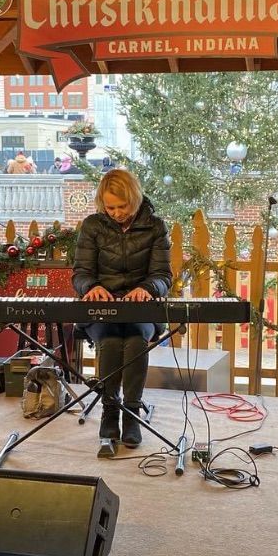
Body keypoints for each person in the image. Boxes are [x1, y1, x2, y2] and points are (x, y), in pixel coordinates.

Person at [72, 168, 172, 448]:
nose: (116, 212)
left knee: (136, 342)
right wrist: (91, 287)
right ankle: (109, 410)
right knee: (112, 341)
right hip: (101, 308)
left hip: (142, 308)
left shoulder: (155, 227)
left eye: (122, 206)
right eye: (110, 207)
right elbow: (80, 274)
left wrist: (148, 289)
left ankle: (131, 414)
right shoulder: (93, 226)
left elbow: (163, 276)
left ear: (135, 198)